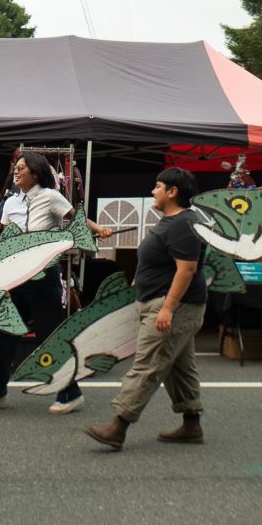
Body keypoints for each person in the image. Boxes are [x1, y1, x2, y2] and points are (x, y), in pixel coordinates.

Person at [0, 151, 113, 414]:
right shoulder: (10, 203)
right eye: (15, 168)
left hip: (44, 276)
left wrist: (98, 228)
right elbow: (7, 243)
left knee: (50, 336)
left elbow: (76, 218)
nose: (16, 172)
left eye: (21, 168)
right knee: (4, 333)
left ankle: (70, 394)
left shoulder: (51, 197)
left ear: (35, 171)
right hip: (16, 278)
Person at [83, 167, 208, 449]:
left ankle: (118, 425)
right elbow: (164, 261)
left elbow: (187, 269)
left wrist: (168, 308)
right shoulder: (172, 222)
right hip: (164, 302)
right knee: (179, 366)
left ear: (173, 192)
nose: (153, 191)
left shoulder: (183, 223)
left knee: (148, 364)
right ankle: (192, 424)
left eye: (158, 186)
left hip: (173, 306)